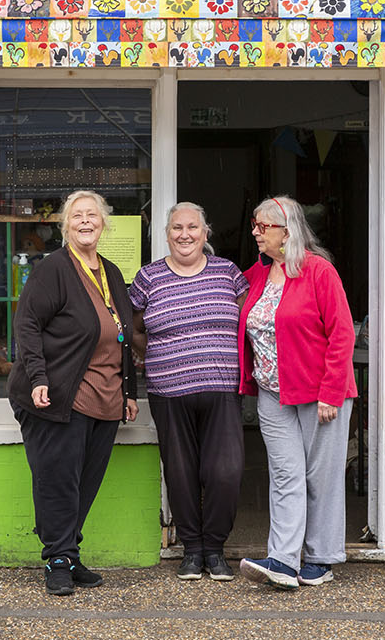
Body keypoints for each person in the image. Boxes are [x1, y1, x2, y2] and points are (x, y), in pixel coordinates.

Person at [8, 190, 138, 597]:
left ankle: (69, 550)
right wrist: (38, 377)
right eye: (77, 216)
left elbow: (124, 335)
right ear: (66, 225)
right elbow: (27, 324)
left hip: (105, 395)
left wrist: (129, 391)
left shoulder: (112, 272)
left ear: (104, 224)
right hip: (60, 394)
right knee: (59, 480)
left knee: (85, 480)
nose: (85, 221)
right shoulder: (54, 269)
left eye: (92, 215)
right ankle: (58, 559)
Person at [237, 196, 358, 590]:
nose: (255, 231)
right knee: (286, 475)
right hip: (274, 393)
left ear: (286, 231)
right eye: (254, 225)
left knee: (319, 477)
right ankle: (284, 560)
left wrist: (331, 392)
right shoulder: (257, 275)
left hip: (320, 392)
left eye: (262, 226)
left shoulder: (319, 272)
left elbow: (342, 334)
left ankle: (320, 559)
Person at [129, 202, 249, 581]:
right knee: (180, 470)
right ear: (166, 234)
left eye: (192, 227)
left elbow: (248, 322)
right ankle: (192, 550)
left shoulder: (228, 273)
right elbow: (132, 328)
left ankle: (215, 548)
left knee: (225, 471)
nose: (185, 234)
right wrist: (154, 355)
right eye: (177, 227)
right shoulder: (148, 278)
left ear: (205, 233)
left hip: (223, 388)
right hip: (169, 389)